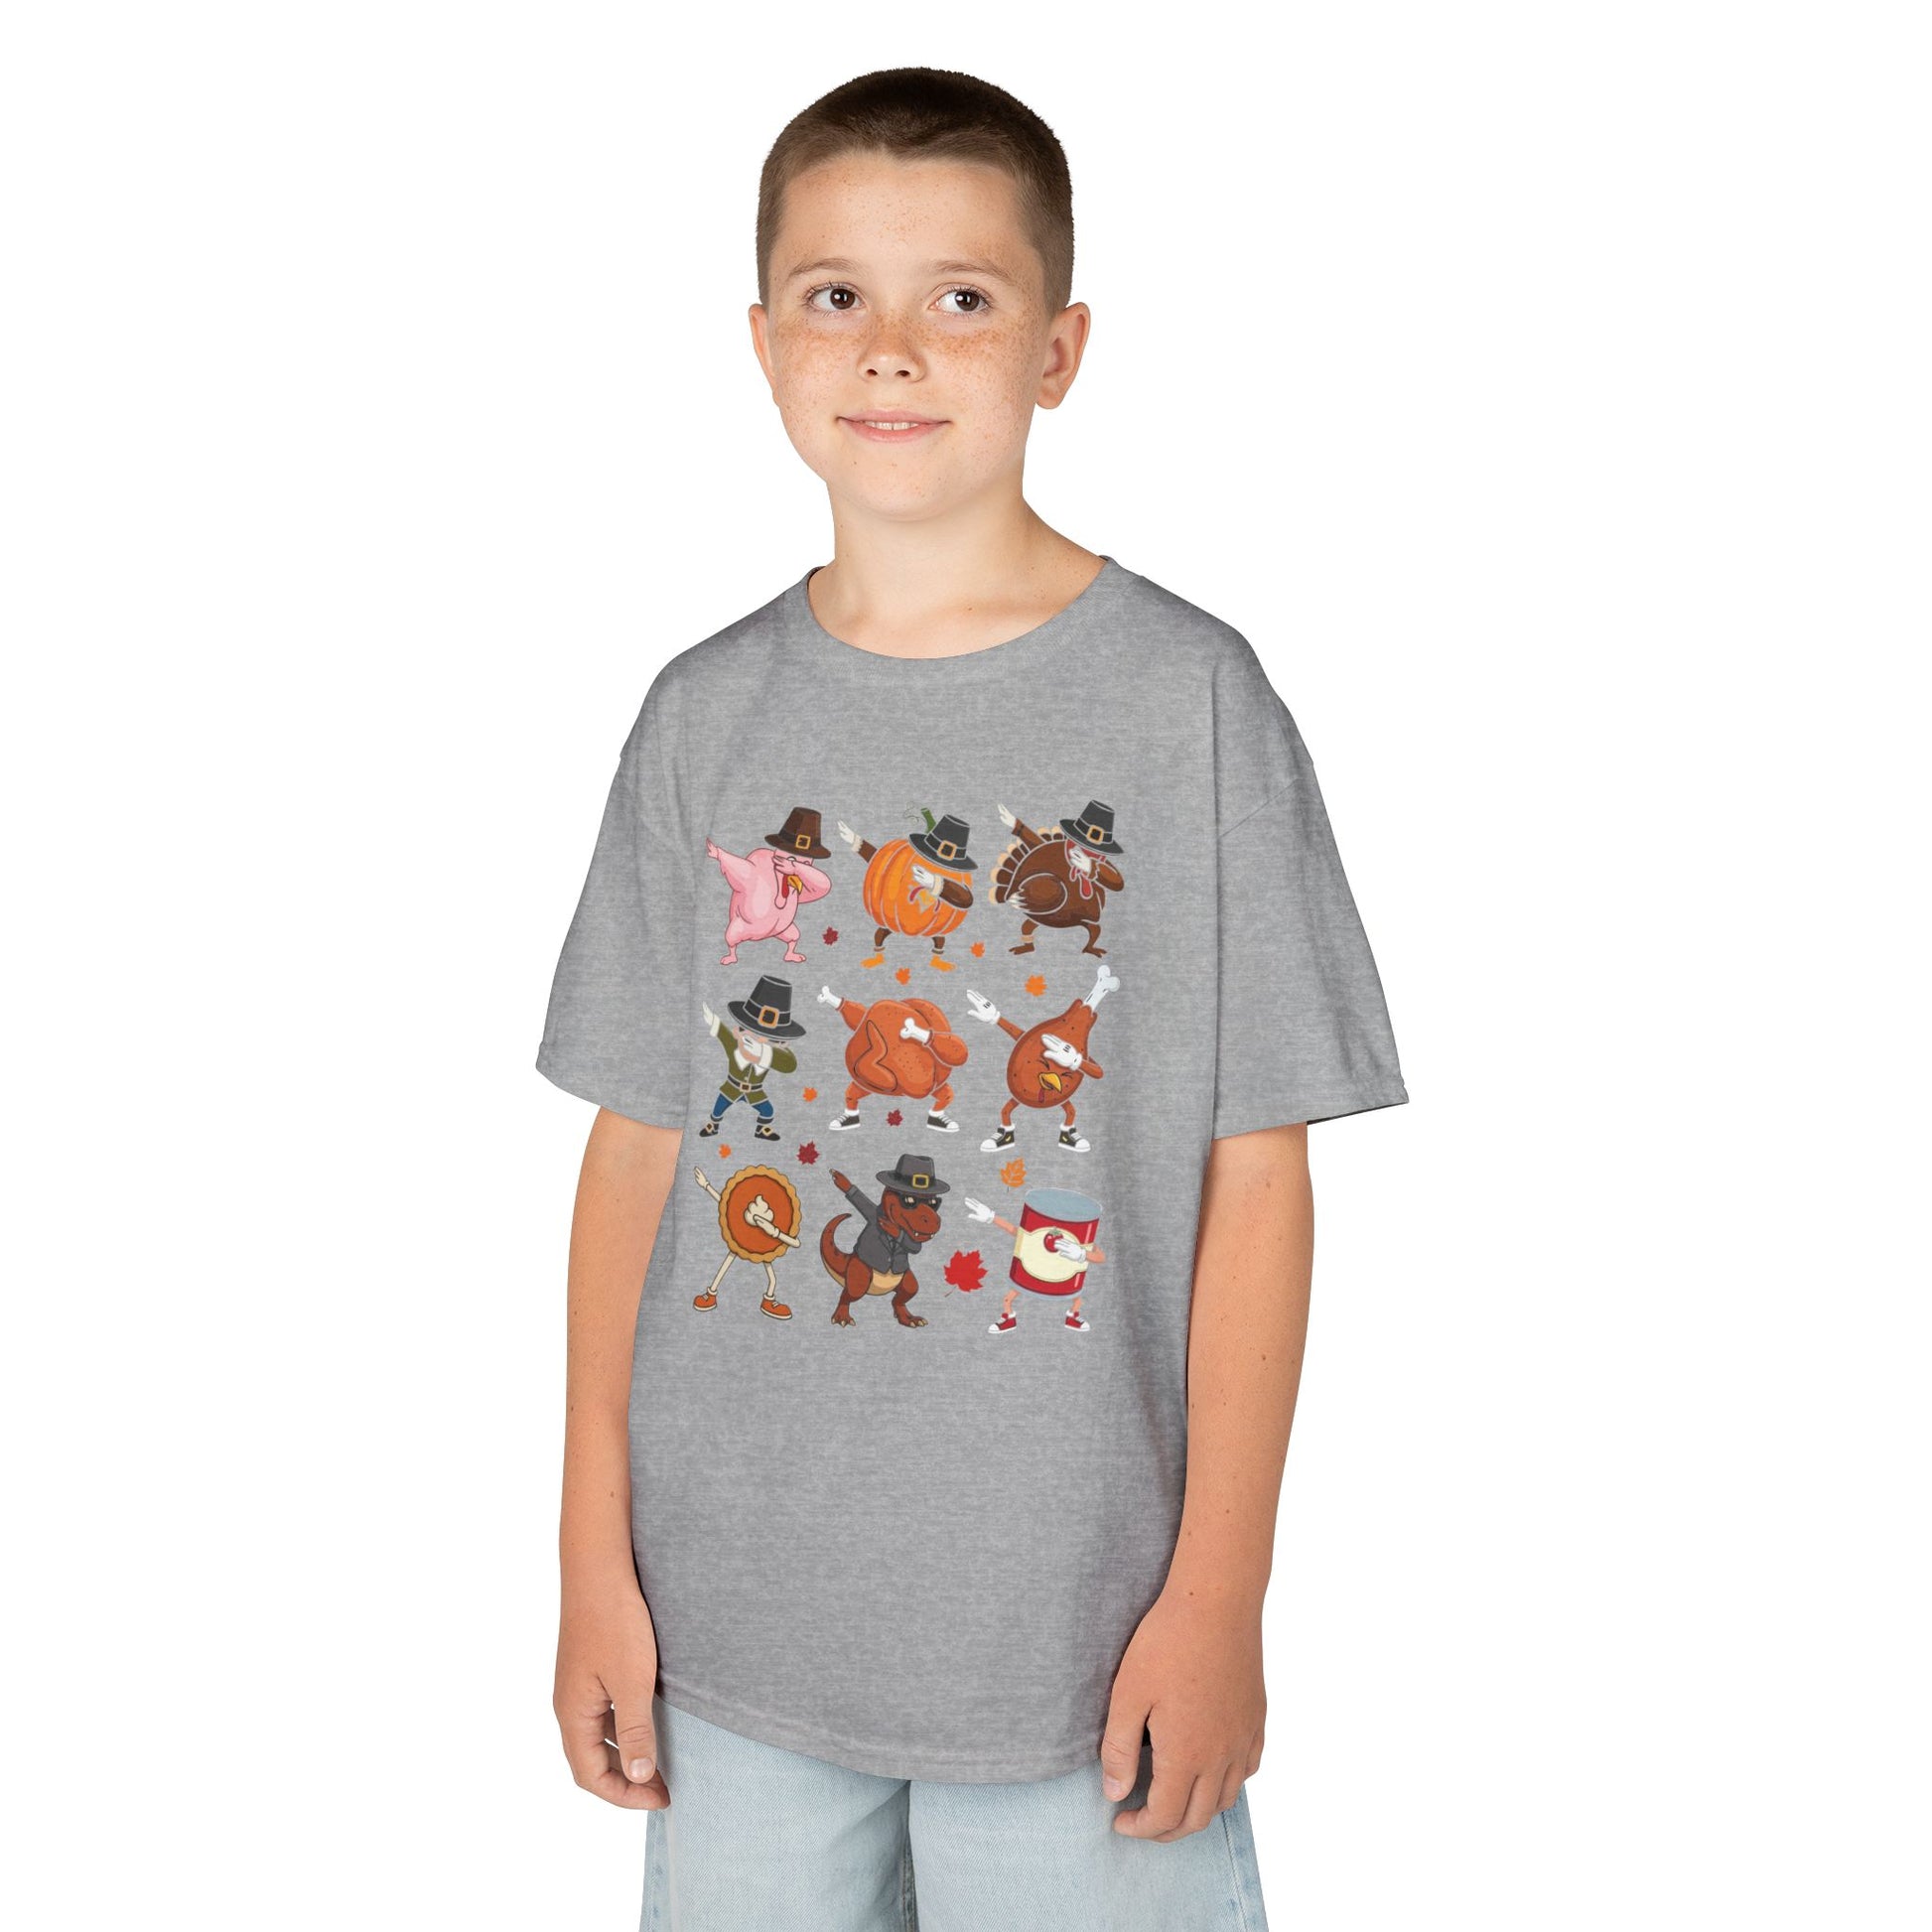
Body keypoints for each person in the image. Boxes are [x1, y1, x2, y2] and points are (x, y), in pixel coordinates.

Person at [536, 67, 1406, 1931]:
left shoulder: (1188, 701)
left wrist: (1220, 1594)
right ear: (761, 343)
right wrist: (588, 1557)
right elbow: (636, 1148)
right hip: (734, 1625)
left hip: (1079, 1644)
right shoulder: (701, 715)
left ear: (1059, 347)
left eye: (962, 295)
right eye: (835, 294)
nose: (892, 347)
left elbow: (1257, 1179)